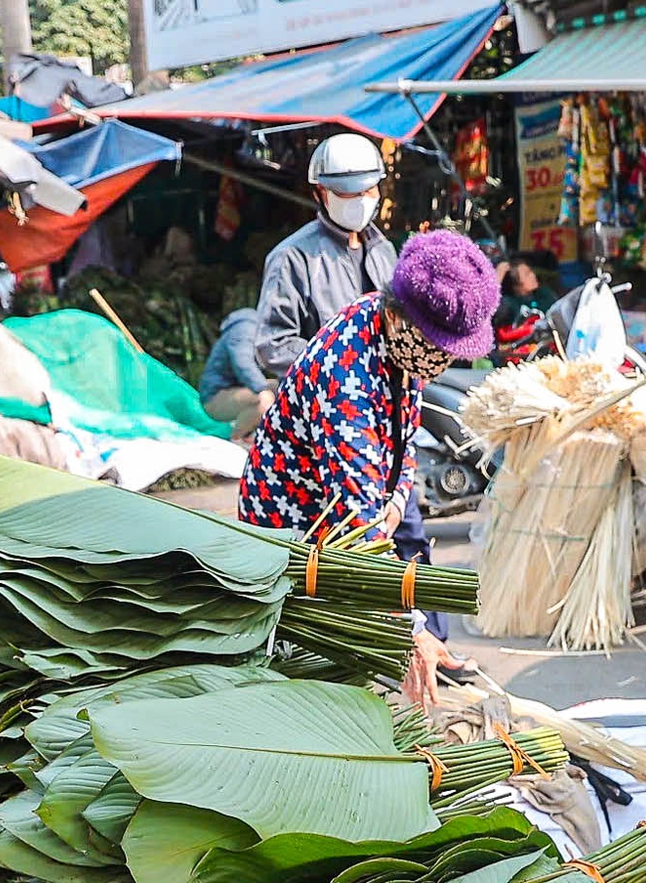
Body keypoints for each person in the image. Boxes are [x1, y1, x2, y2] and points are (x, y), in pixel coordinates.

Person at [238, 230, 497, 691]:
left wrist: (397, 500)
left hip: (357, 517)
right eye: (440, 351)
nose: (444, 364)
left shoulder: (400, 345)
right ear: (399, 320)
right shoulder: (347, 376)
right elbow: (358, 528)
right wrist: (410, 628)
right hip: (300, 540)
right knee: (317, 683)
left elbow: (404, 440)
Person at [254, 133, 400, 381]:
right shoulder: (293, 258)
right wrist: (339, 362)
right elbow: (272, 345)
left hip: (382, 396)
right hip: (322, 403)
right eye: (348, 193)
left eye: (369, 190)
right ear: (320, 193)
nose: (362, 200)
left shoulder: (383, 250)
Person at [198, 306, 272, 440]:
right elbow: (243, 363)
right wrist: (262, 389)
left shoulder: (261, 328)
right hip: (215, 399)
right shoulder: (245, 328)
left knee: (281, 388)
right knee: (263, 399)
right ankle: (238, 439)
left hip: (236, 392)